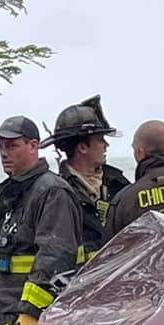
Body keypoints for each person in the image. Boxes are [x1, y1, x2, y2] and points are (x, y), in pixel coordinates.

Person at [0, 115, 83, 325]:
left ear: (33, 146)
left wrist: (30, 313)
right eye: (0, 147)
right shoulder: (9, 192)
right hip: (4, 321)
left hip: (31, 324)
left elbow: (55, 256)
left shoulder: (52, 191)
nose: (4, 153)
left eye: (12, 145)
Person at [40, 95, 130, 263]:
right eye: (100, 140)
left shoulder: (118, 183)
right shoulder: (57, 193)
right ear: (82, 147)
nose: (106, 145)